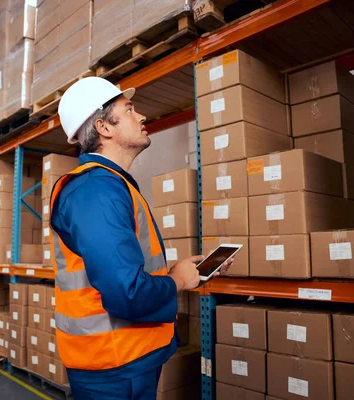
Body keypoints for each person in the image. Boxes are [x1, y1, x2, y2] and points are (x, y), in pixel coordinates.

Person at [49, 77, 231, 400]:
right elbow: (126, 292)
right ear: (105, 127)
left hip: (125, 359)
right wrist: (176, 282)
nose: (141, 116)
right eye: (130, 109)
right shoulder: (96, 191)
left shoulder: (111, 186)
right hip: (112, 369)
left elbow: (123, 272)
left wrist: (174, 270)